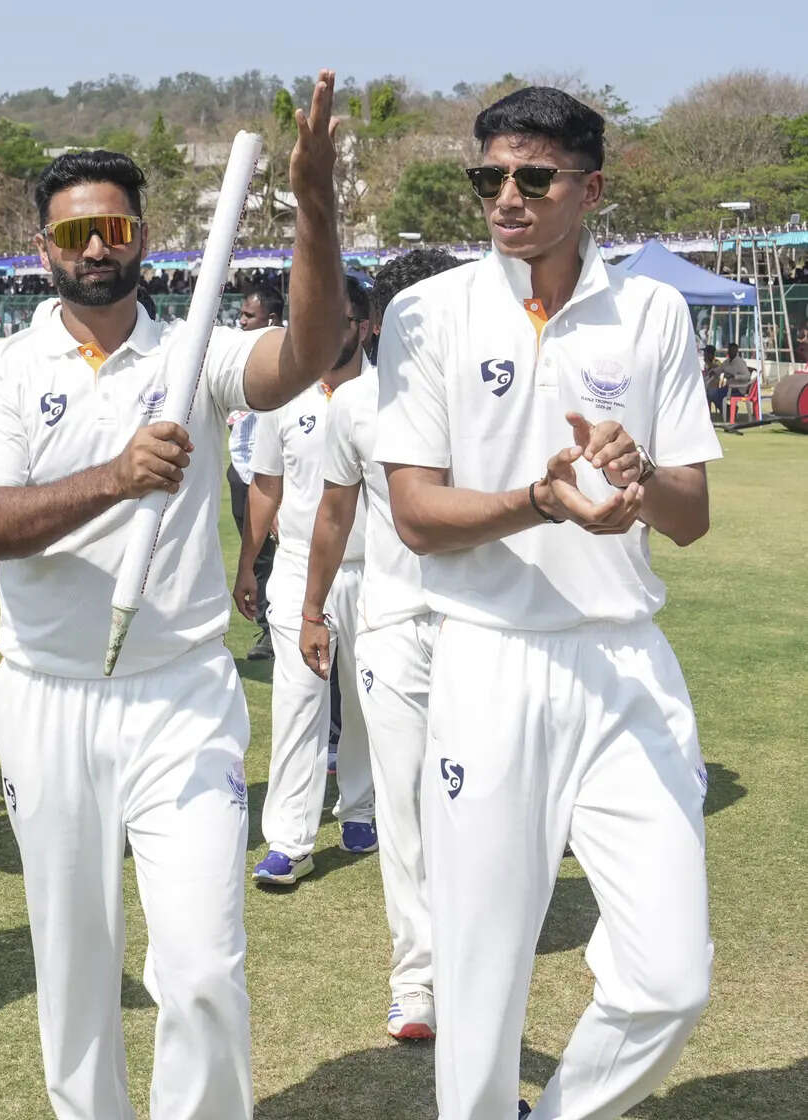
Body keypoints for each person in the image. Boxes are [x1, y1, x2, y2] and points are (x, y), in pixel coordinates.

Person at [0, 72, 345, 1120]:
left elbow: (307, 351)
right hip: (49, 697)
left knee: (205, 965)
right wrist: (116, 476)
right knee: (77, 971)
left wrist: (312, 206)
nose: (95, 247)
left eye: (113, 227)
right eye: (74, 233)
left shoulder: (194, 352)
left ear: (144, 238)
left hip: (180, 692)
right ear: (44, 248)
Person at [379, 86, 717, 1119]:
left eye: (535, 177)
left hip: (623, 659)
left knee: (670, 973)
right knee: (479, 969)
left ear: (592, 188)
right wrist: (539, 499)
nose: (508, 197)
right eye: (490, 177)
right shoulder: (427, 311)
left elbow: (690, 514)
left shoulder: (651, 309)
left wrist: (635, 475)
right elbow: (418, 514)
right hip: (487, 655)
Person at [295, 249, 460, 1040]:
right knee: (402, 804)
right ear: (382, 320)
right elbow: (333, 515)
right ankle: (417, 980)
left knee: (485, 800)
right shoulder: (355, 406)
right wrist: (312, 610)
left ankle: (479, 947)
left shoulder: (494, 392)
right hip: (394, 625)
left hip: (485, 626)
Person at [234, 276, 376, 886]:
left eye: (339, 322)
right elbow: (268, 482)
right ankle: (289, 840)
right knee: (297, 702)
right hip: (294, 567)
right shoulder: (284, 397)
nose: (322, 335)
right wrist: (247, 559)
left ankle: (362, 810)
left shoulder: (391, 394)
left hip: (374, 571)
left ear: (366, 327)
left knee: (369, 700)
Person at [228, 282, 283, 663]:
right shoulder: (235, 355)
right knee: (258, 557)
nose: (241, 321)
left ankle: (285, 626)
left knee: (284, 553)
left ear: (272, 320)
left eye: (249, 316)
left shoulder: (285, 363)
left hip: (273, 477)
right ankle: (268, 626)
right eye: (242, 314)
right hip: (241, 471)